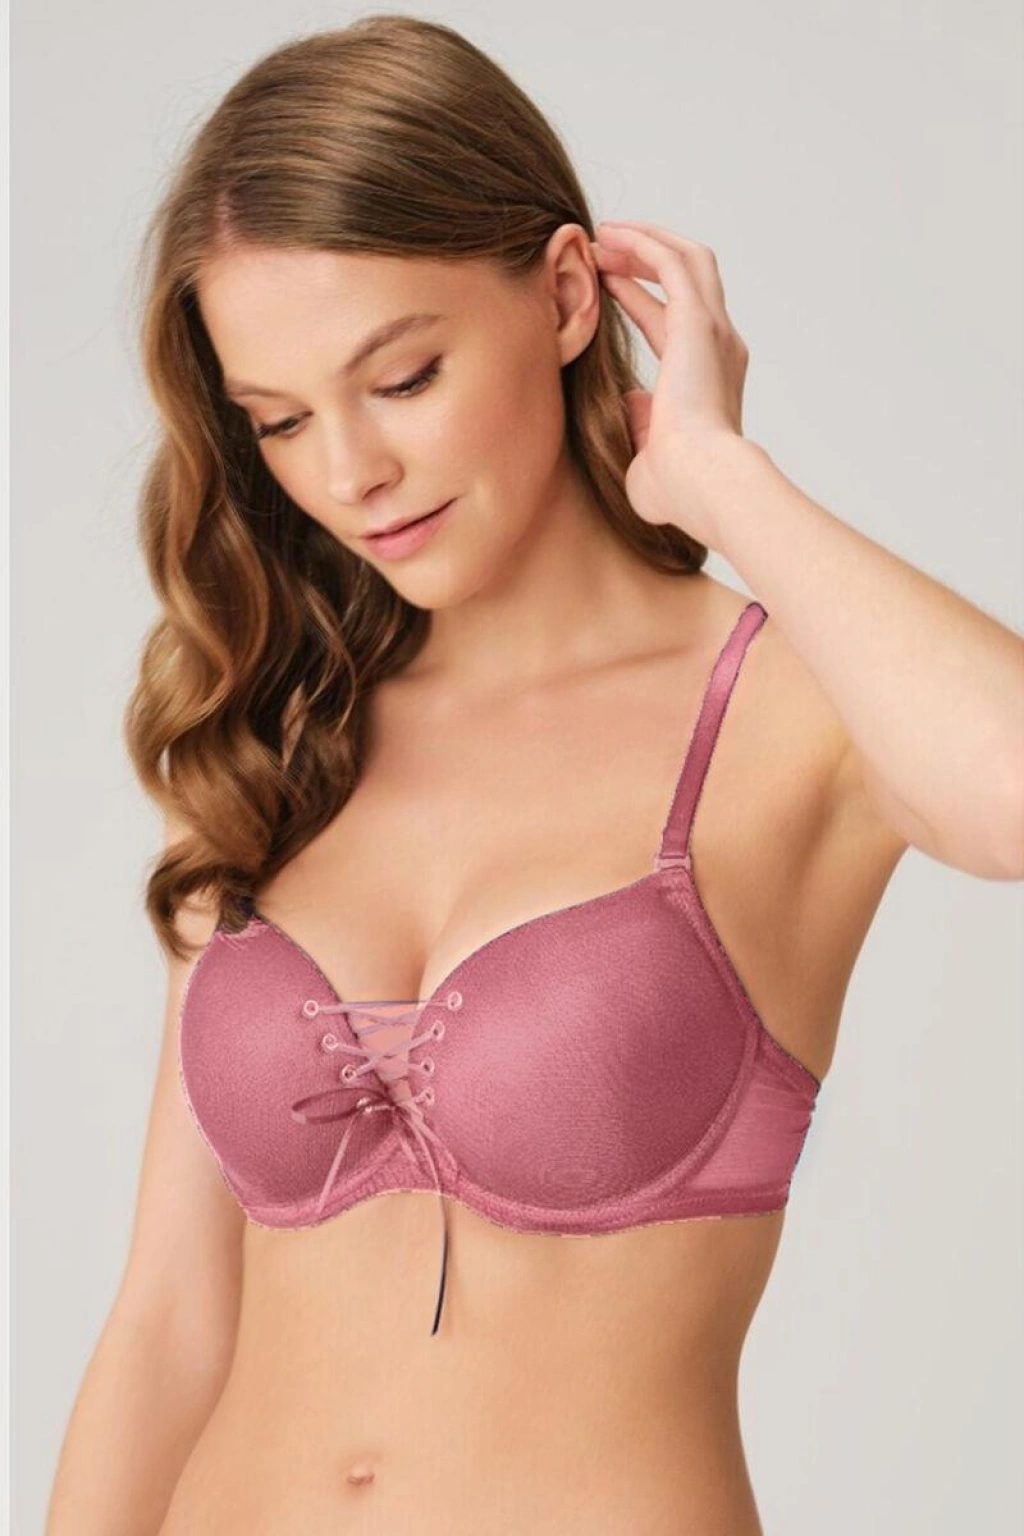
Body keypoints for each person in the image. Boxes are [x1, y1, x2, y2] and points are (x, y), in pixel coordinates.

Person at [45, 14, 1024, 1536]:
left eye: (403, 377)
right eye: (281, 422)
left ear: (566, 296)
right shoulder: (285, 734)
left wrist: (720, 480)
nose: (349, 473)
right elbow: (168, 1325)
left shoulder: (783, 709)